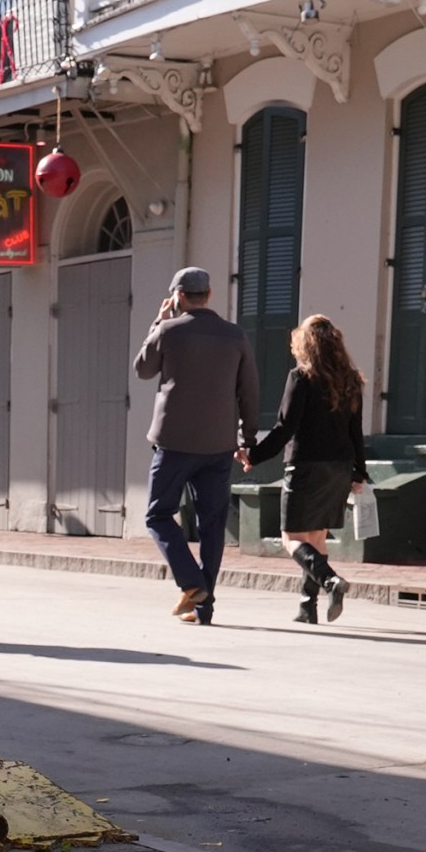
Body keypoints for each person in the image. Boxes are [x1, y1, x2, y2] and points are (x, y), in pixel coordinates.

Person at [134, 267, 258, 625]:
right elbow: (249, 390)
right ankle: (204, 608)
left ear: (177, 297)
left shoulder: (169, 331)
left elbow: (142, 369)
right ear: (210, 295)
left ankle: (192, 584)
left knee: (158, 515)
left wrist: (157, 324)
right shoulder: (235, 336)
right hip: (219, 444)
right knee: (212, 524)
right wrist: (247, 439)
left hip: (174, 442)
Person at [248, 315, 370, 624]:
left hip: (306, 466)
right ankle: (307, 607)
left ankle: (330, 581)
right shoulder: (351, 379)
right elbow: (356, 430)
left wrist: (254, 455)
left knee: (292, 538)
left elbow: (284, 427)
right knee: (316, 537)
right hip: (340, 467)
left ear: (304, 343)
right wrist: (359, 471)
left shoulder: (301, 377)